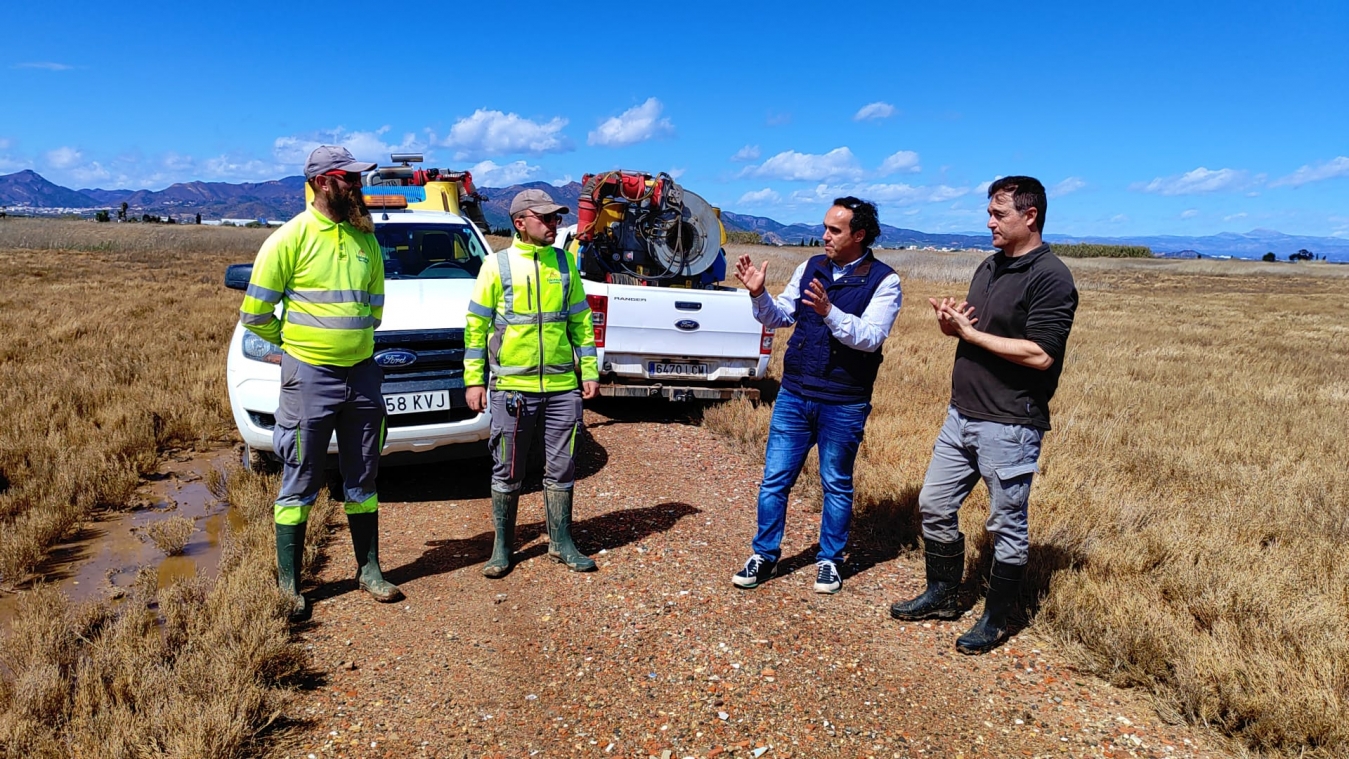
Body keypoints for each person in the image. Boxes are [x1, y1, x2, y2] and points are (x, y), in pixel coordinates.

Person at [890, 176, 1078, 655]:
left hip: (1011, 423)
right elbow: (978, 331)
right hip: (962, 415)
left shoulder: (1051, 276)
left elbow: (1040, 355)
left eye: (999, 214)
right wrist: (953, 327)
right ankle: (944, 594)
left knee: (1005, 525)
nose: (989, 221)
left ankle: (996, 619)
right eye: (990, 213)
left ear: (1029, 215)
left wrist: (972, 338)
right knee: (933, 503)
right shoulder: (989, 266)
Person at [238, 145, 403, 622]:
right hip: (309, 379)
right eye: (348, 178)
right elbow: (255, 316)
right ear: (323, 182)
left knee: (364, 475)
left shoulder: (366, 239)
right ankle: (290, 586)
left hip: (362, 376)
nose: (357, 185)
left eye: (357, 177)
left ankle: (368, 569)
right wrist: (294, 348)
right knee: (300, 478)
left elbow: (374, 311)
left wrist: (352, 348)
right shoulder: (288, 240)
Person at [731, 197, 902, 594]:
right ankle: (764, 555)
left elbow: (871, 338)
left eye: (834, 230)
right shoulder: (811, 267)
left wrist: (829, 312)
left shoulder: (884, 280)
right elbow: (781, 316)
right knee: (775, 479)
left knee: (836, 484)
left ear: (859, 235)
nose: (824, 235)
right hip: (794, 394)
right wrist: (759, 295)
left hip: (844, 400)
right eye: (825, 227)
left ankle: (829, 560)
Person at [464, 189, 601, 578]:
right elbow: (475, 329)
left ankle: (561, 543)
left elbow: (580, 321)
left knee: (563, 467)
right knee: (507, 469)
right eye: (546, 219)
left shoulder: (565, 263)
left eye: (557, 218)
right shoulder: (497, 266)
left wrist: (588, 371)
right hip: (512, 388)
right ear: (520, 222)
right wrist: (475, 382)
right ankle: (502, 547)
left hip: (561, 387)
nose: (554, 225)